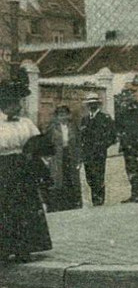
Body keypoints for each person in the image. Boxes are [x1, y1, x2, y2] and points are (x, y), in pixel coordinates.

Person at [0, 83, 53, 263]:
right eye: (16, 103)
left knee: (25, 207)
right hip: (2, 169)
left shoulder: (26, 122)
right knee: (5, 209)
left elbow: (38, 143)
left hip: (23, 168)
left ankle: (25, 249)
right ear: (6, 103)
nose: (20, 106)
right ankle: (4, 250)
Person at [115, 88, 138, 203]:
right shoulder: (121, 109)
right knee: (129, 168)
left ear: (134, 96)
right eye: (125, 95)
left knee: (135, 168)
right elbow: (118, 126)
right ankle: (134, 193)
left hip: (136, 144)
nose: (127, 97)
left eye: (130, 95)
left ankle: (137, 194)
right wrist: (120, 138)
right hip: (126, 144)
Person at [79, 94, 116, 206]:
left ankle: (99, 201)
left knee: (99, 177)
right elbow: (81, 137)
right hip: (87, 154)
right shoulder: (84, 119)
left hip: (99, 153)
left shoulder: (105, 118)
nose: (92, 106)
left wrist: (102, 146)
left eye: (94, 103)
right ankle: (95, 198)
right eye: (90, 104)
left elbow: (112, 136)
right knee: (89, 177)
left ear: (98, 104)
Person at [45, 105, 82, 211]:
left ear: (68, 115)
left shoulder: (73, 126)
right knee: (58, 179)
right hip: (57, 157)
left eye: (65, 114)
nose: (63, 117)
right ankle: (59, 205)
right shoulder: (52, 127)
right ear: (56, 116)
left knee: (71, 178)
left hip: (70, 156)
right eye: (60, 114)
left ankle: (73, 204)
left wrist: (79, 159)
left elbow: (78, 143)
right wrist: (47, 157)